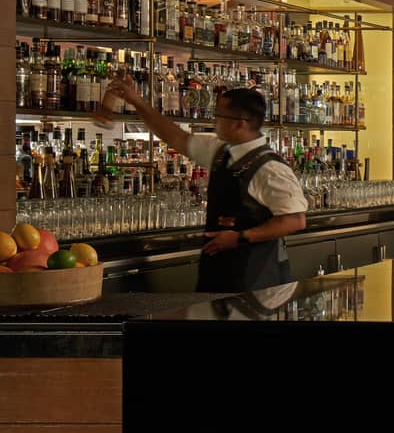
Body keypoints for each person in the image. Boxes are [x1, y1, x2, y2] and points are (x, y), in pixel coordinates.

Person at [104, 77, 307, 292]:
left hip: (258, 282)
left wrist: (241, 237)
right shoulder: (220, 151)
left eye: (219, 116)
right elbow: (174, 136)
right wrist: (137, 101)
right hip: (219, 275)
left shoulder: (270, 169)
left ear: (240, 123)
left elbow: (295, 220)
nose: (214, 121)